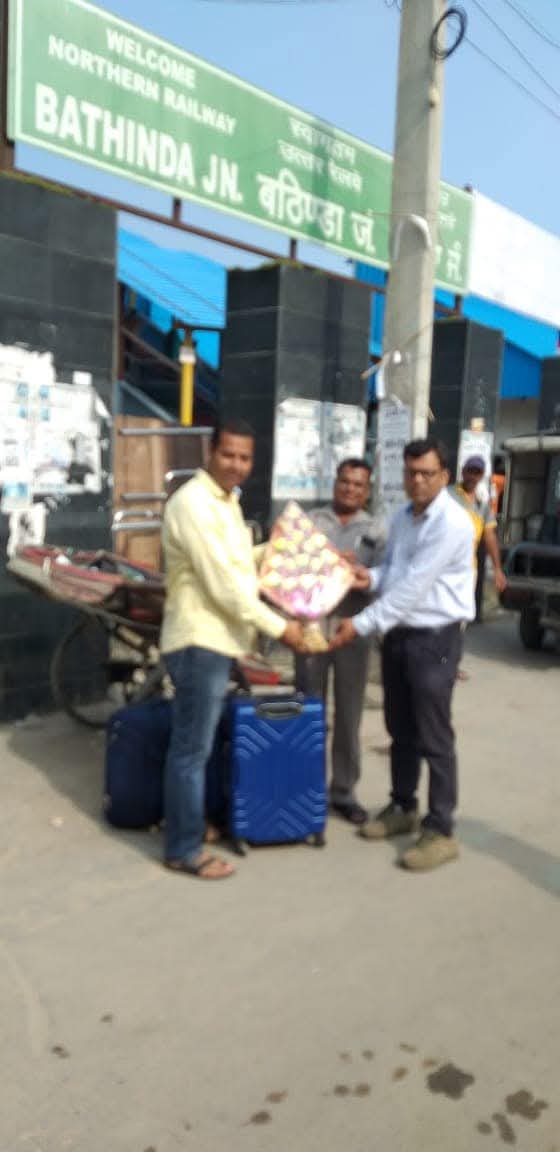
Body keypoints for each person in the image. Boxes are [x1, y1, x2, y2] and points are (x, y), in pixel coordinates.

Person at [160, 417, 306, 881]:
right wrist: (282, 629)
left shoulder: (227, 502)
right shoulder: (193, 503)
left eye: (245, 458)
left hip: (218, 641)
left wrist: (286, 550)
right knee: (191, 750)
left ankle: (191, 825)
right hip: (198, 640)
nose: (237, 465)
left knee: (198, 746)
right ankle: (183, 848)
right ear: (210, 451)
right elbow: (225, 587)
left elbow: (240, 564)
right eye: (229, 455)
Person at [330, 438, 475, 871]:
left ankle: (441, 828)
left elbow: (413, 588)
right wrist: (368, 577)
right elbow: (395, 572)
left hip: (435, 638)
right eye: (411, 473)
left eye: (427, 473)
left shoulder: (451, 523)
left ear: (444, 476)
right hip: (399, 636)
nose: (418, 481)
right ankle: (403, 806)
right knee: (401, 729)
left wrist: (359, 623)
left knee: (434, 735)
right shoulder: (402, 516)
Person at [295, 458, 385, 824]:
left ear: (367, 490)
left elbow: (383, 580)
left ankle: (344, 792)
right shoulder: (311, 521)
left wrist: (355, 571)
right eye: (344, 481)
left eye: (358, 484)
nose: (350, 489)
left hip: (352, 628)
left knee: (349, 714)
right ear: (335, 483)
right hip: (312, 625)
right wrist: (324, 563)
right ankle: (306, 787)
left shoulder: (377, 529)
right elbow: (291, 569)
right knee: (309, 710)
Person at [452, 455, 507, 600]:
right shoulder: (448, 495)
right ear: (463, 471)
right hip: (443, 567)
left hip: (468, 570)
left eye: (477, 473)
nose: (472, 476)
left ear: (481, 476)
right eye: (470, 471)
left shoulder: (482, 505)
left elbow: (490, 536)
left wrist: (497, 569)